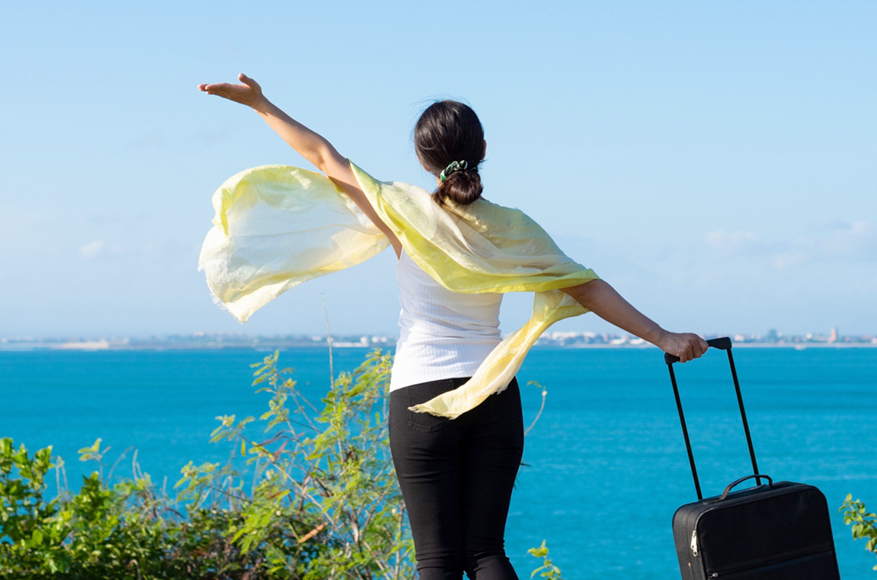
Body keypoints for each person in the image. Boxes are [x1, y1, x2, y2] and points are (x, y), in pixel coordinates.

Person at [198, 74, 708, 580]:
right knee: (486, 552)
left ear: (423, 159)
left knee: (436, 562)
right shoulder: (514, 228)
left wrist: (261, 104)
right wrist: (665, 337)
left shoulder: (403, 210)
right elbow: (588, 287)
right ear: (483, 148)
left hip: (420, 396)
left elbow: (323, 156)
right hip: (493, 394)